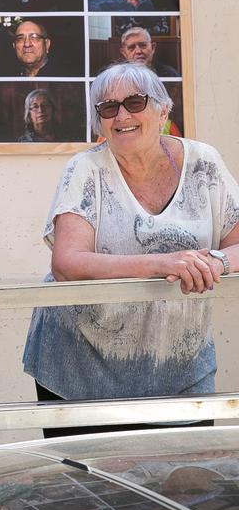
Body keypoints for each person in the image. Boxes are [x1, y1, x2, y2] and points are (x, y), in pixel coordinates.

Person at [24, 63, 239, 438]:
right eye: (108, 108)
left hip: (181, 368)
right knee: (91, 492)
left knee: (181, 485)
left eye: (134, 102)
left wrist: (214, 262)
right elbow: (67, 263)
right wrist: (163, 264)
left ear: (162, 110)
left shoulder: (204, 163)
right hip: (81, 368)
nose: (122, 115)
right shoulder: (85, 169)